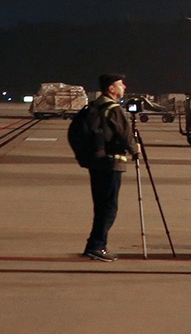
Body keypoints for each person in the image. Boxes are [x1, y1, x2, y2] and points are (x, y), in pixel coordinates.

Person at [82, 73, 139, 261]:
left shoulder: (95, 106)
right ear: (111, 88)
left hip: (96, 162)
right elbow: (126, 135)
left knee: (100, 205)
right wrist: (135, 150)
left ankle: (94, 244)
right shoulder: (113, 109)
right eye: (121, 84)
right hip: (111, 163)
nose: (124, 87)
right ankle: (97, 246)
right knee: (109, 207)